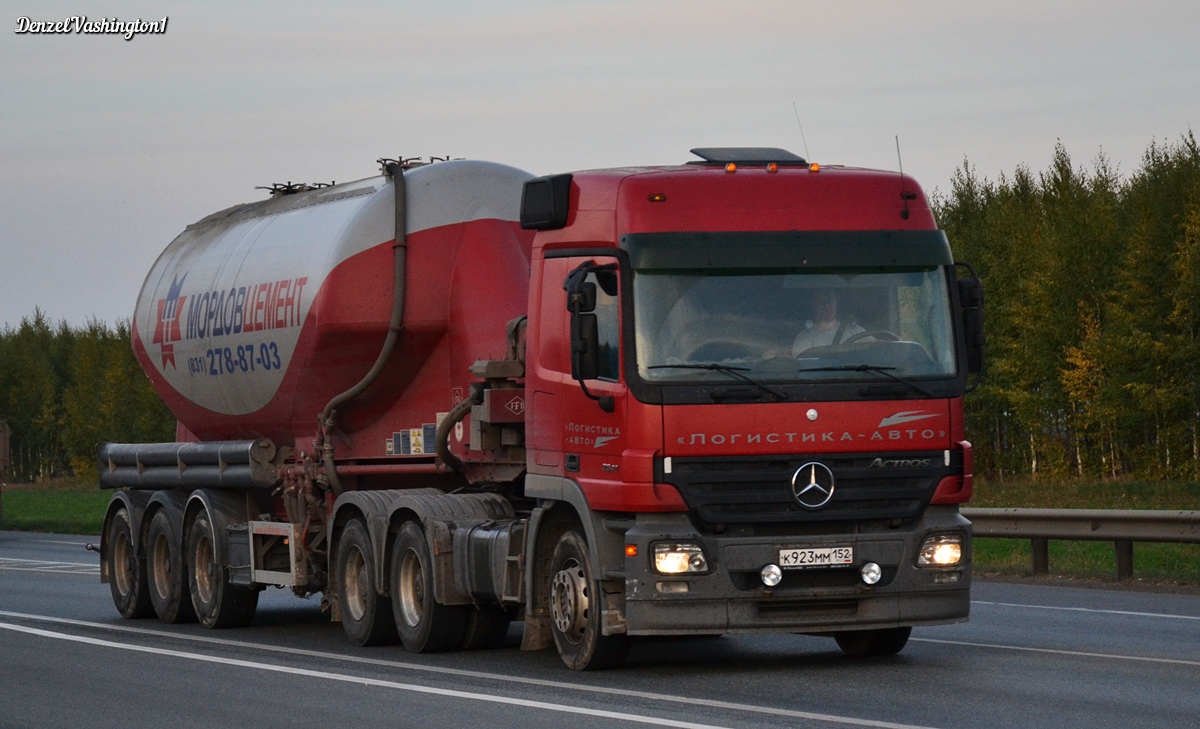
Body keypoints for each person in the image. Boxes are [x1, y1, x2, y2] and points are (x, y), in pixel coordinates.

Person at [792, 289, 864, 356]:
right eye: (821, 302)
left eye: (830, 301)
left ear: (836, 304)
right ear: (813, 306)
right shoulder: (804, 337)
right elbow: (801, 366)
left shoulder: (854, 330)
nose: (826, 305)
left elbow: (873, 348)